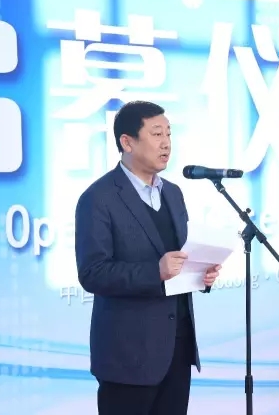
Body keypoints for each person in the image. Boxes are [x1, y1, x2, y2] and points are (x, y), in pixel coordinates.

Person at [74, 101, 221, 415]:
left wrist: (201, 274)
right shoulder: (98, 199)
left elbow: (178, 258)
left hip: (177, 349)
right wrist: (155, 271)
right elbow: (92, 272)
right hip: (128, 357)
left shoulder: (174, 193)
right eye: (156, 134)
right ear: (127, 142)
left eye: (169, 133)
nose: (166, 143)